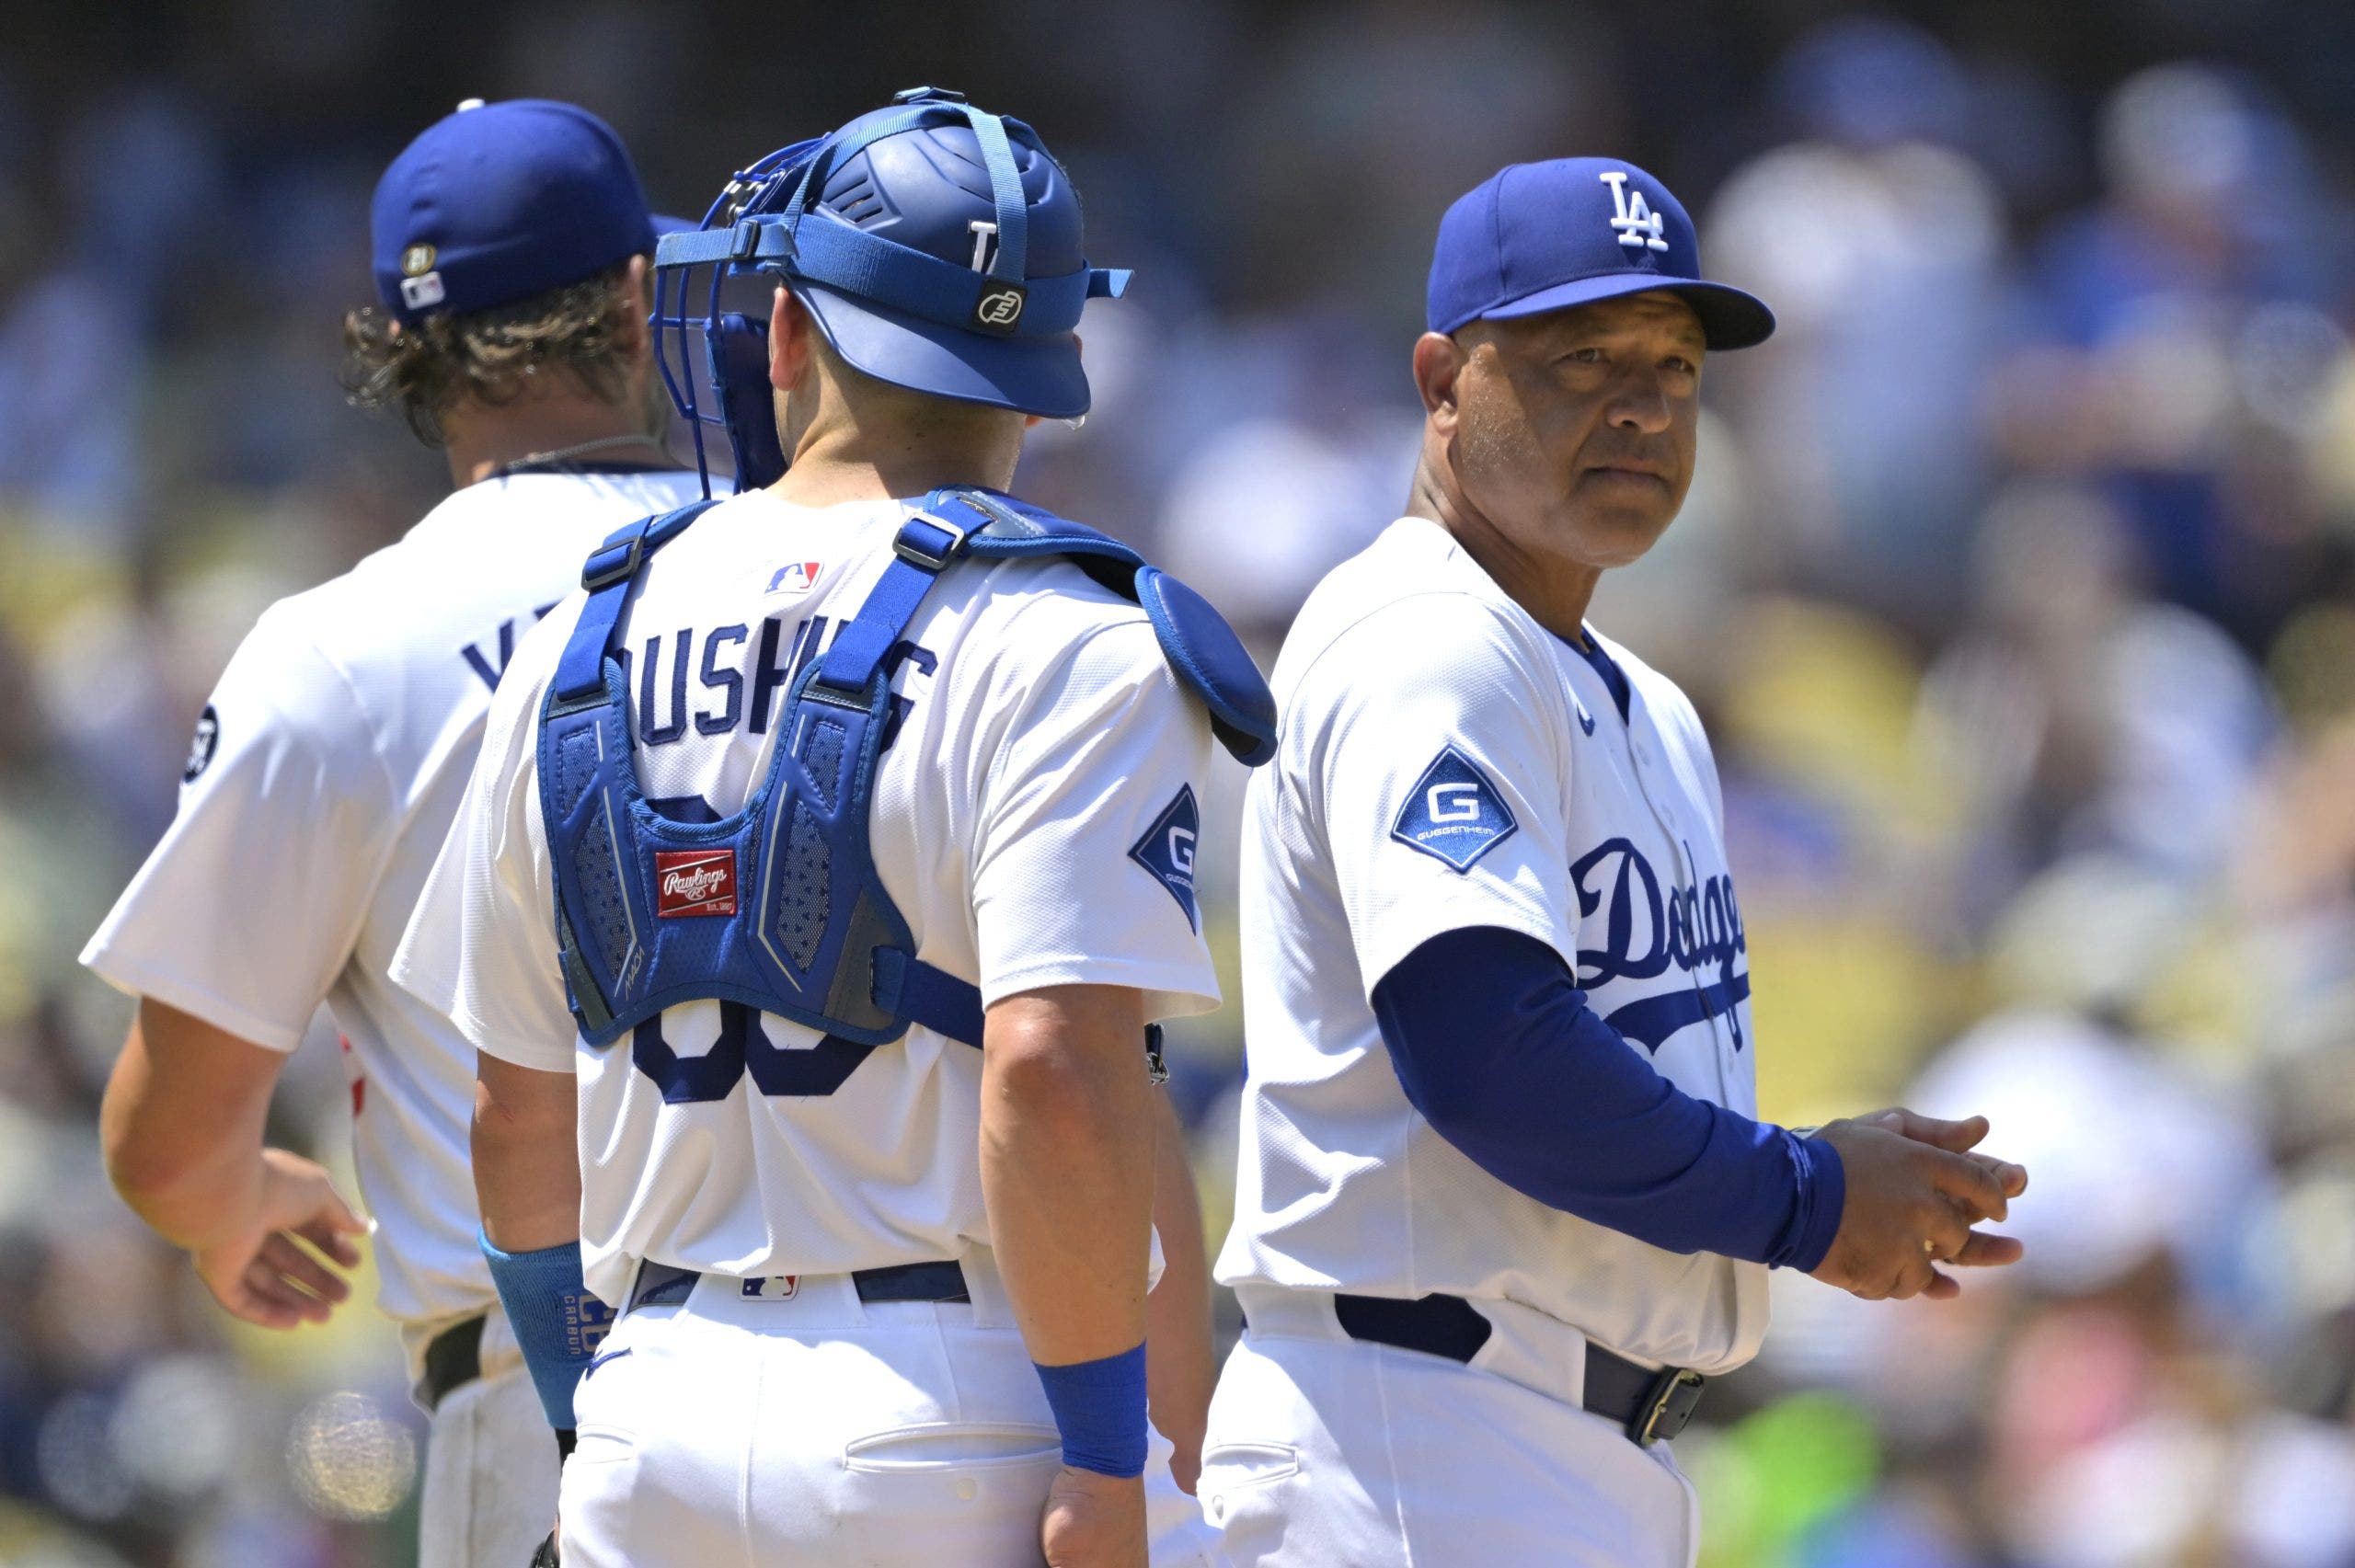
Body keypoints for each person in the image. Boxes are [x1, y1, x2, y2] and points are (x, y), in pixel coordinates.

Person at [390, 88, 1273, 1568]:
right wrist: (1108, 1460)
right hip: (957, 1410)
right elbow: (1054, 1072)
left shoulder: (581, 633)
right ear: (1047, 372)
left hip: (652, 1392)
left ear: (789, 330)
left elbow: (513, 1112)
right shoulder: (1072, 635)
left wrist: (583, 1424)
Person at [1198, 157, 2031, 1567]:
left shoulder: (1643, 701)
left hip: (1553, 1443)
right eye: (1582, 359)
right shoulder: (1426, 644)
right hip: (1415, 1435)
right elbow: (1490, 1055)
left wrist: (1838, 1181)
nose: (1642, 406)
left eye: (1675, 366)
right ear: (1442, 381)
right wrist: (1811, 1196)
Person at [86, 98, 704, 1568]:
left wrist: (237, 1202)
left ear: (403, 349)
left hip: (553, 1399)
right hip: (891, 1385)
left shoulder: (341, 656)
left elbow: (168, 1141)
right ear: (636, 300)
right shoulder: (826, 579)